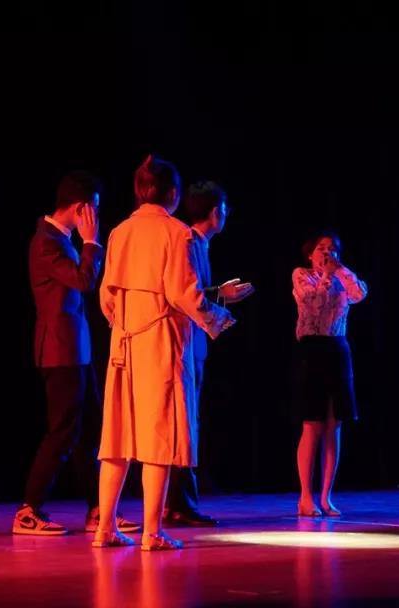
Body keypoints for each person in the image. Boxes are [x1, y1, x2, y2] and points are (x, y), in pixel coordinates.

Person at [94, 156, 234, 551]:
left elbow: (106, 297)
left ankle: (106, 526)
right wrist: (220, 318)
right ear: (172, 193)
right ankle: (152, 532)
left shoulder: (119, 232)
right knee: (159, 433)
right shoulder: (176, 233)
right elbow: (183, 294)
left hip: (123, 344)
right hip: (160, 342)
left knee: (118, 435)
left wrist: (125, 322)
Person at [14, 170, 138, 536]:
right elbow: (84, 280)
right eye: (93, 209)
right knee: (63, 432)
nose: (95, 217)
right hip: (59, 351)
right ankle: (28, 509)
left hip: (75, 350)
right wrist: (92, 242)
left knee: (90, 431)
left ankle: (99, 509)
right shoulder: (46, 241)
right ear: (80, 207)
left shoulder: (59, 239)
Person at [164, 181, 254, 527]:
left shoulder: (198, 243)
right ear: (215, 212)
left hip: (193, 345)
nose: (226, 215)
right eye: (224, 209)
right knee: (184, 421)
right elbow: (186, 295)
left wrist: (219, 293)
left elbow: (196, 291)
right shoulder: (188, 241)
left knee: (189, 420)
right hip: (182, 343)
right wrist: (220, 307)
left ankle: (178, 502)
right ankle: (179, 504)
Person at [292, 231, 367, 517]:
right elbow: (312, 301)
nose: (327, 252)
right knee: (312, 424)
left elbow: (359, 294)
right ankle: (305, 496)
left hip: (337, 348)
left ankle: (326, 497)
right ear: (310, 254)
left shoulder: (342, 277)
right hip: (312, 349)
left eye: (332, 248)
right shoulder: (302, 275)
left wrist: (340, 271)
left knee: (335, 425)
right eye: (321, 248)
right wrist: (326, 275)